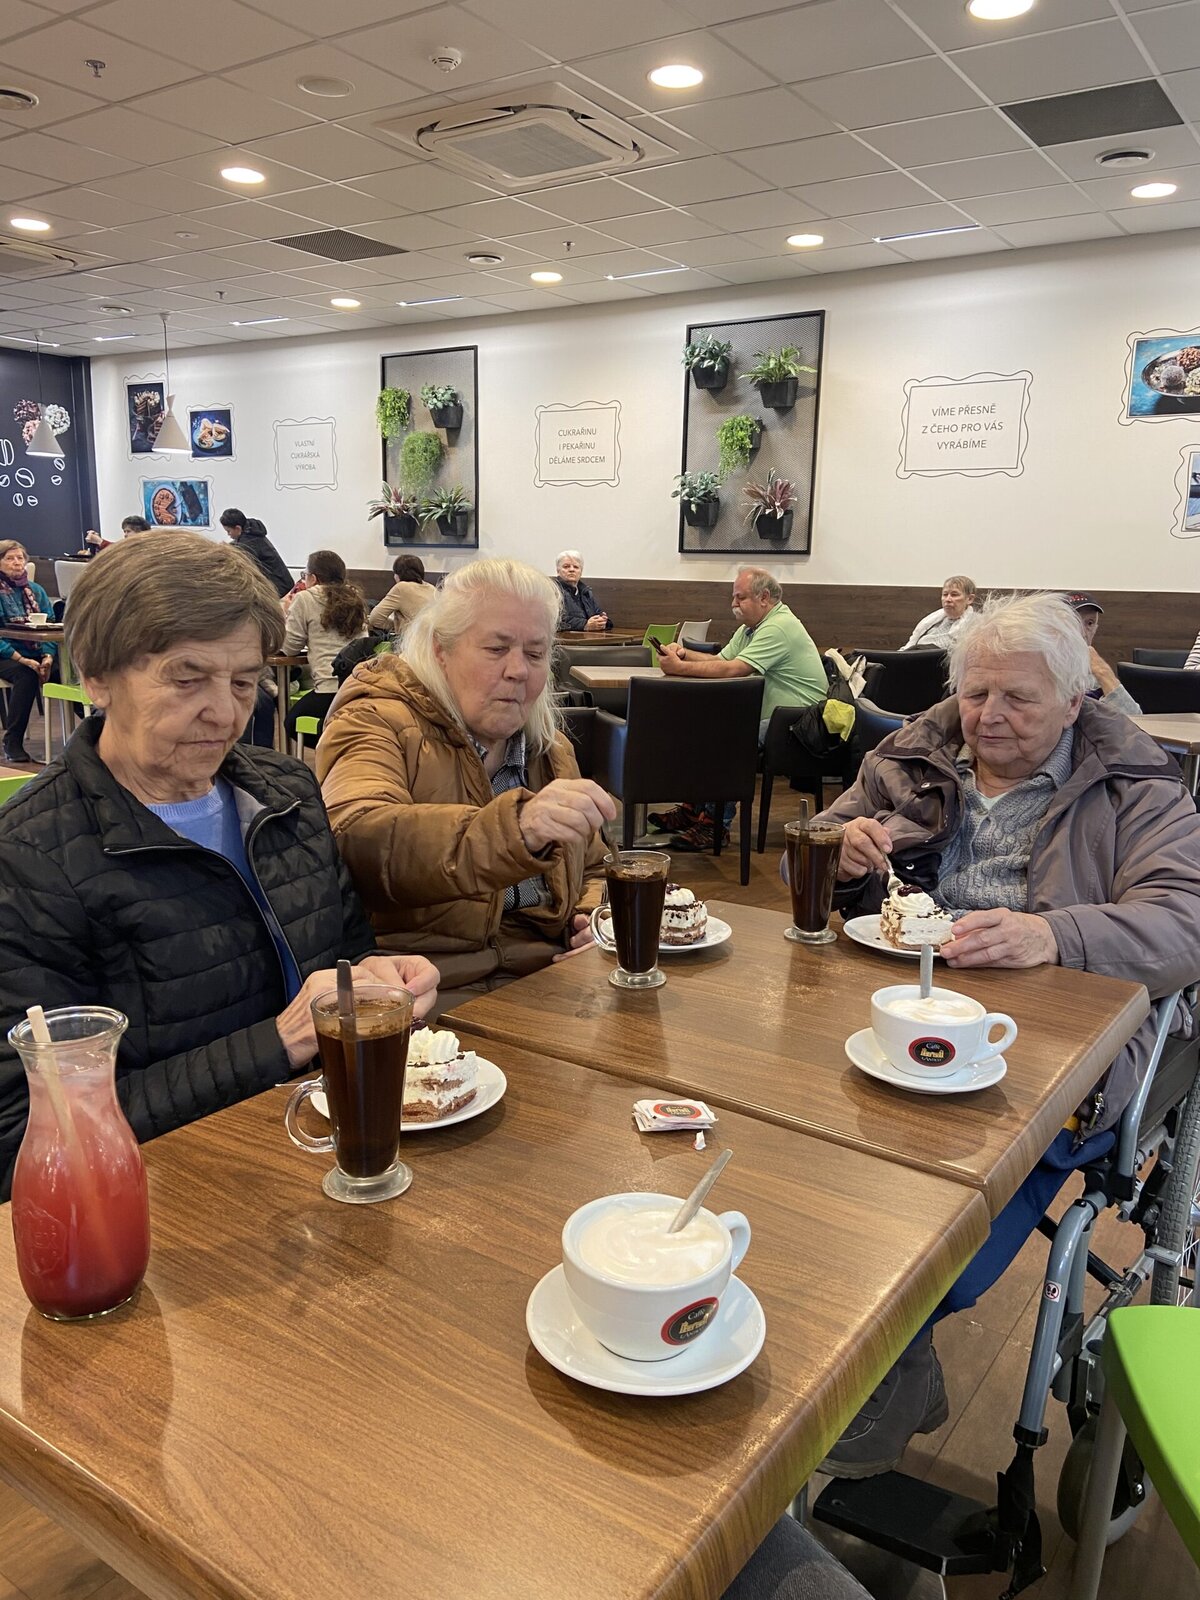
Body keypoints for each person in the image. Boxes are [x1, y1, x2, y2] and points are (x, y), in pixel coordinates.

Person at [810, 590, 1200, 1479]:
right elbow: (822, 834)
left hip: (1046, 1029)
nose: (988, 715)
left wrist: (1055, 935)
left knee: (961, 1175)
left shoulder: (1135, 782)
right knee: (802, 1143)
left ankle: (896, 1347)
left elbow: (1186, 920)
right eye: (976, 692)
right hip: (888, 1001)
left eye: (1018, 698)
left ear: (1074, 699)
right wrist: (839, 847)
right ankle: (850, 1326)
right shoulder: (909, 753)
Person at [0, 532, 439, 1197]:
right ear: (95, 676)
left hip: (336, 1156)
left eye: (243, 682)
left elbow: (345, 957)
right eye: (187, 678)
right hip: (179, 1201)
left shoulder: (286, 791)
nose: (225, 713)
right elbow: (25, 1136)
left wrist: (376, 981)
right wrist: (280, 1041)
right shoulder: (30, 859)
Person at [318, 557, 616, 1011]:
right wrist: (516, 828)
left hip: (550, 982)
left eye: (535, 654)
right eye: (497, 649)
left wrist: (592, 918)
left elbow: (593, 866)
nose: (518, 670)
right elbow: (358, 840)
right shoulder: (376, 719)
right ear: (441, 649)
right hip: (426, 994)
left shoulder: (550, 748)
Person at [652, 568, 827, 851]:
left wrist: (680, 668)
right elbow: (722, 660)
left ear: (764, 598)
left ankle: (715, 826)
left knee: (729, 739)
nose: (733, 604)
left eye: (740, 597)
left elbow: (736, 669)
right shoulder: (751, 628)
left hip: (799, 724)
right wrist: (684, 654)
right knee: (704, 728)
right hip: (776, 718)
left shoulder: (778, 627)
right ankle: (692, 810)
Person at [282, 551, 368, 740]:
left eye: (304, 575)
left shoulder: (305, 599)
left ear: (313, 578)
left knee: (292, 723)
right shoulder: (355, 599)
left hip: (328, 690)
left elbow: (289, 648)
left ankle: (332, 743)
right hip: (358, 688)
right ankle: (343, 742)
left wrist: (287, 613)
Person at [0, 539, 57, 765]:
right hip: (6, 654)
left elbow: (51, 625)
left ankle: (96, 731)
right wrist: (23, 659)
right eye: (9, 558)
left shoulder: (36, 590)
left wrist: (48, 657)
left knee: (66, 673)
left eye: (20, 558)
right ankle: (12, 741)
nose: (17, 563)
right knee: (26, 675)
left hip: (35, 651)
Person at [1064, 591, 1141, 714]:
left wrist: (1103, 673)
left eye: (1090, 623)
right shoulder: (1040, 668)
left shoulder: (1095, 677)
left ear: (1095, 629)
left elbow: (1134, 718)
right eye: (1074, 622)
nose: (1083, 633)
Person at [220, 507, 292, 598]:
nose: (228, 534)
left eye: (228, 531)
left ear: (238, 528)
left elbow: (243, 568)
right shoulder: (251, 529)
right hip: (283, 581)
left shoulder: (248, 544)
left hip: (277, 587)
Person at [900, 575, 977, 651]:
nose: (948, 599)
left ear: (969, 599)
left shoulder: (976, 625)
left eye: (954, 595)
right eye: (945, 594)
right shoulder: (933, 620)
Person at [368, 553, 437, 635]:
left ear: (397, 575)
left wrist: (396, 626)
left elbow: (374, 619)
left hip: (412, 638)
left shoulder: (401, 588)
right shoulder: (432, 588)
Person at [552, 550, 611, 632]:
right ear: (558, 571)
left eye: (576, 567)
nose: (571, 570)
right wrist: (584, 625)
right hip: (565, 638)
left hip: (590, 637)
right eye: (566, 567)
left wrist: (602, 621)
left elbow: (598, 613)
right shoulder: (553, 591)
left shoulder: (586, 592)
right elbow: (555, 620)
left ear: (581, 571)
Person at [79, 515, 149, 557]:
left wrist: (99, 541)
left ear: (140, 532)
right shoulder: (127, 546)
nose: (125, 535)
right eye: (124, 532)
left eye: (128, 531)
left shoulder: (145, 548)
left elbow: (118, 551)